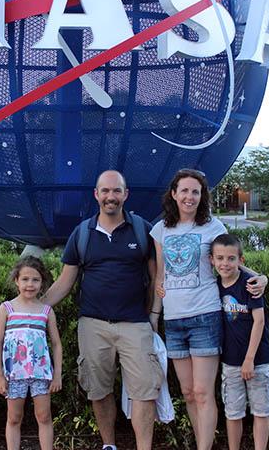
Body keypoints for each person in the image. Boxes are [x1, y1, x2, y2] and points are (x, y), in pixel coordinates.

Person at [43, 170, 162, 450]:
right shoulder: (82, 233)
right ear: (96, 194)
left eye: (117, 191)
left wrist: (154, 315)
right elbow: (64, 282)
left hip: (135, 323)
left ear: (125, 194)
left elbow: (158, 278)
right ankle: (109, 445)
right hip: (93, 324)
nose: (111, 196)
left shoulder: (142, 230)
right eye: (105, 191)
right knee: (98, 390)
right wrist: (32, 309)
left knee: (144, 390)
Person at [152, 168, 267, 450]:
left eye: (196, 191)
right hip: (175, 320)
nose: (189, 197)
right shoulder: (160, 230)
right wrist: (155, 316)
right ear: (174, 194)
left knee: (204, 392)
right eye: (185, 191)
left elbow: (232, 262)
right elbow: (159, 276)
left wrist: (262, 278)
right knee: (189, 393)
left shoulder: (213, 227)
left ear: (202, 196)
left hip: (205, 315)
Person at [0, 256, 63, 450]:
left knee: (44, 416)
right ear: (16, 280)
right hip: (14, 374)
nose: (30, 285)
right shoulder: (6, 309)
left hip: (41, 374)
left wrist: (57, 374)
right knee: (14, 418)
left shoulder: (46, 311)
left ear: (42, 283)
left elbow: (56, 344)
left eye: (35, 280)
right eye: (25, 279)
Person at [212, 233, 269, 450]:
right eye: (219, 258)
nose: (224, 263)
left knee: (261, 411)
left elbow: (259, 321)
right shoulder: (214, 286)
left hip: (257, 360)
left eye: (231, 258)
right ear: (212, 260)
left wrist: (249, 359)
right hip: (230, 362)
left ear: (241, 260)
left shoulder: (251, 285)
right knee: (233, 413)